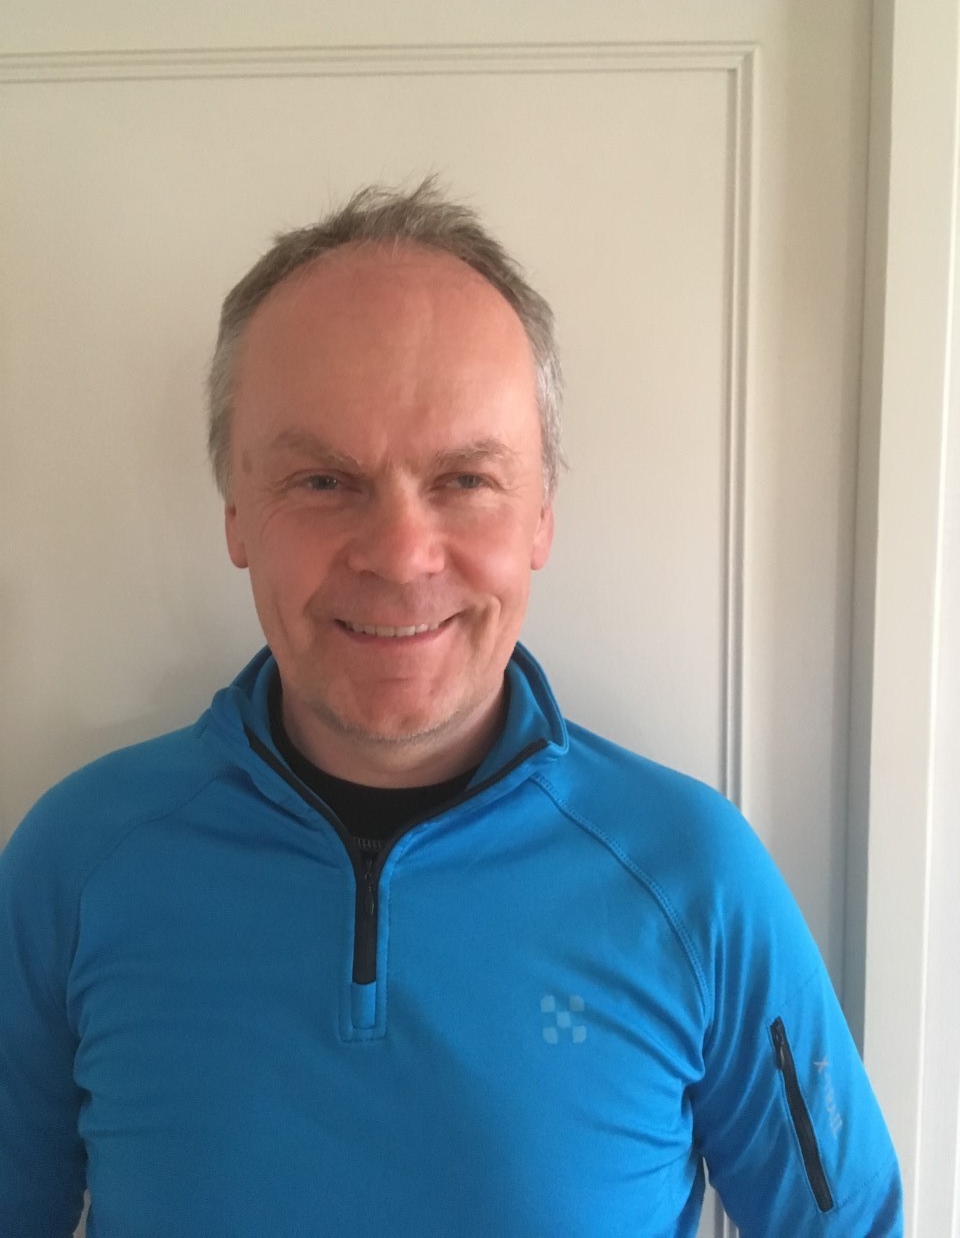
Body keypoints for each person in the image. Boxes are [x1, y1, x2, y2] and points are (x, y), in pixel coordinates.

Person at [0, 181, 902, 1237]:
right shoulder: (76, 865)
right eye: (324, 479)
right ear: (237, 512)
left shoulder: (693, 881)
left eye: (466, 479)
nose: (399, 555)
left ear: (540, 514)